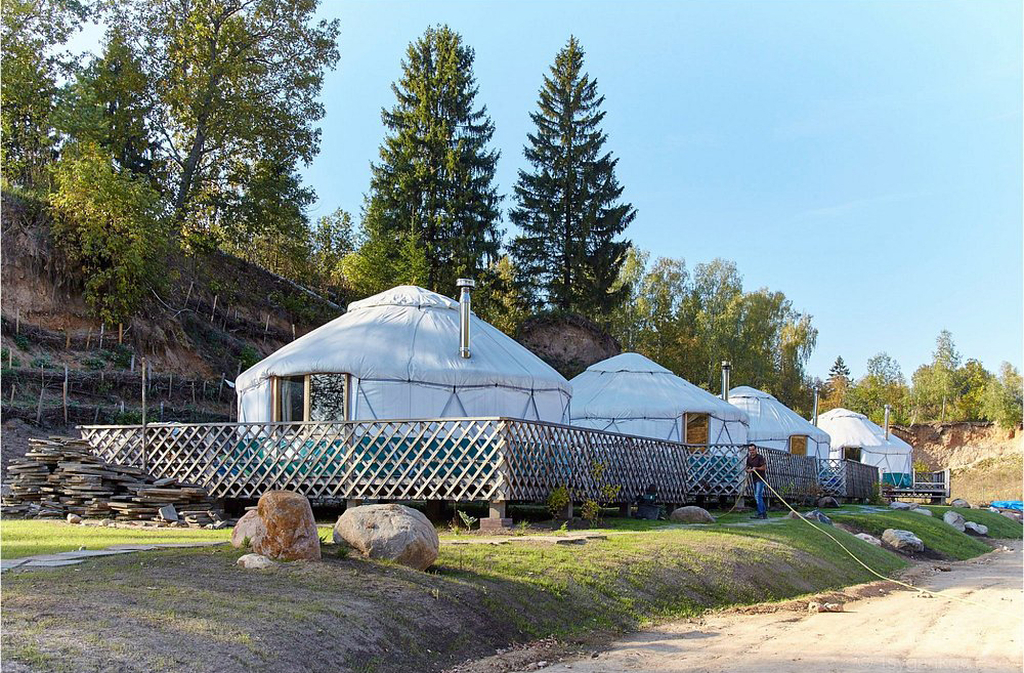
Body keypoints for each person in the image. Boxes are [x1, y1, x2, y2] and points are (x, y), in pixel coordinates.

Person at [746, 443, 768, 519]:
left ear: (756, 450)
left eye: (753, 450)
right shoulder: (749, 458)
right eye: (750, 450)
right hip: (754, 479)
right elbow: (747, 467)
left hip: (761, 479)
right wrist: (748, 470)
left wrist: (756, 468)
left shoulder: (760, 457)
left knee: (757, 496)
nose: (752, 452)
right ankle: (763, 513)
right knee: (758, 496)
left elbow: (764, 468)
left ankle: (760, 513)